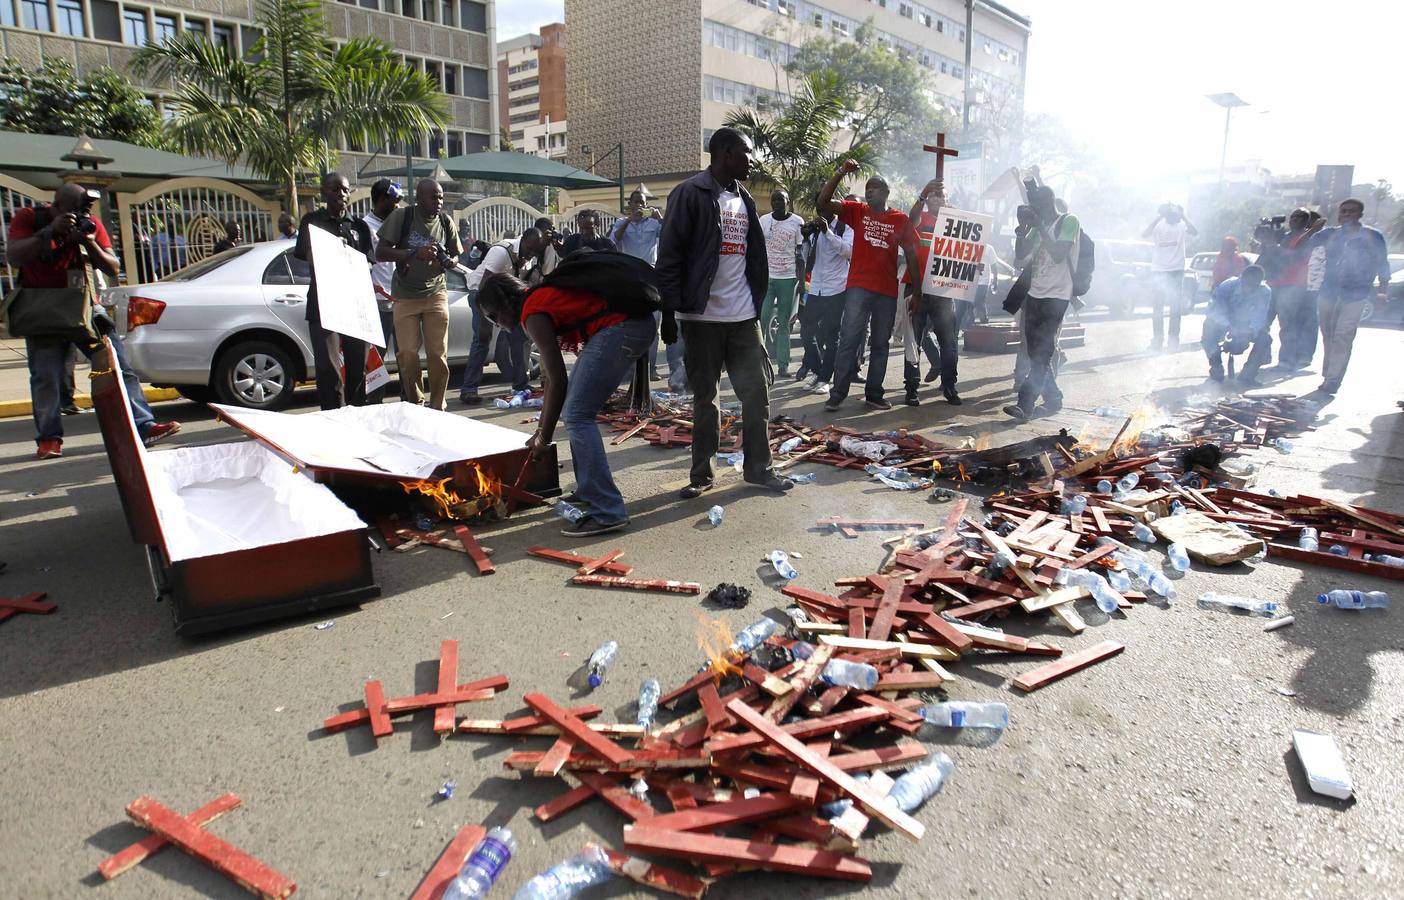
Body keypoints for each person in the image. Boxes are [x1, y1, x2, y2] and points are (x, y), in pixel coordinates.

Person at [656, 126, 794, 498]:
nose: (752, 160)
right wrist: (668, 314)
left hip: (744, 317)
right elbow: (669, 256)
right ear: (725, 153)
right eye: (746, 152)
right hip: (701, 319)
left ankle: (760, 470)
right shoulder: (689, 193)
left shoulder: (744, 199)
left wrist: (757, 304)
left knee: (757, 395)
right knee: (706, 399)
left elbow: (753, 258)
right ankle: (702, 475)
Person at [475, 264, 658, 536]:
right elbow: (551, 380)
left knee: (577, 415)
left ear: (504, 304)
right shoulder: (536, 302)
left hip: (622, 329)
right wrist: (541, 432)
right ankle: (588, 490)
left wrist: (544, 439)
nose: (497, 324)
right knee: (574, 411)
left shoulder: (532, 313)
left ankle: (607, 511)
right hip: (627, 327)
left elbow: (558, 379)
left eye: (493, 316)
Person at [5, 184, 180, 458]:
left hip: (87, 307)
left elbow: (113, 267)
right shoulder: (30, 218)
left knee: (119, 368)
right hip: (44, 310)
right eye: (76, 210)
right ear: (57, 206)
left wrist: (88, 241)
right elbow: (14, 256)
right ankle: (49, 440)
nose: (83, 215)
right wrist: (49, 232)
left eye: (86, 210)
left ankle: (143, 426)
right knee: (46, 377)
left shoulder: (91, 225)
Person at [817, 159, 921, 412]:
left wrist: (917, 291)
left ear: (886, 192)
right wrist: (841, 172)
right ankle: (837, 394)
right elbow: (823, 203)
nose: (869, 191)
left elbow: (912, 254)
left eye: (874, 187)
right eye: (867, 188)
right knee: (849, 339)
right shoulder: (857, 211)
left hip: (886, 291)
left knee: (880, 344)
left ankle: (874, 394)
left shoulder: (900, 219)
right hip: (859, 288)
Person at [375, 178, 463, 410]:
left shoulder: (445, 221)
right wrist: (414, 253)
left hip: (436, 293)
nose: (438, 201)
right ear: (419, 198)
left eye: (441, 197)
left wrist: (449, 261)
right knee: (407, 353)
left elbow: (456, 255)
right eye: (433, 197)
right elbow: (381, 252)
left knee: (437, 354)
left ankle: (438, 406)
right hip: (405, 295)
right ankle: (416, 402)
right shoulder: (402, 217)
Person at [294, 173, 375, 409]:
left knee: (357, 366)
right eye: (335, 189)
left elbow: (369, 262)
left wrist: (352, 259)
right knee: (328, 368)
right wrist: (334, 252)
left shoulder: (359, 226)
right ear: (323, 192)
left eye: (345, 190)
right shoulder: (312, 221)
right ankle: (333, 415)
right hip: (324, 303)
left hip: (355, 305)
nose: (341, 194)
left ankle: (356, 414)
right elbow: (310, 257)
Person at [1004, 185, 1080, 421]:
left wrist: (1039, 225)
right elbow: (1020, 255)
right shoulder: (1038, 226)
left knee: (1042, 353)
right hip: (1034, 294)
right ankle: (1054, 398)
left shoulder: (1068, 221)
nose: (1034, 210)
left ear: (1048, 203)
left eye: (1037, 206)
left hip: (1057, 296)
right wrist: (1022, 231)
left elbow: (1058, 254)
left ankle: (1024, 404)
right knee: (1034, 352)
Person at [1304, 198, 1391, 394]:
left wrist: (1382, 292)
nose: (1346, 215)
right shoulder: (1330, 234)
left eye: (1351, 211)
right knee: (1328, 335)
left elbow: (1382, 264)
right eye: (1343, 211)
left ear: (1360, 214)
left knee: (1343, 336)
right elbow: (1300, 246)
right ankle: (1329, 373)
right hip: (1328, 292)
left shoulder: (1373, 236)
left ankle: (1333, 379)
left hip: (1356, 294)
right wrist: (1313, 229)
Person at [459, 229, 543, 404]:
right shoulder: (501, 252)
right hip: (480, 293)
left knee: (518, 336)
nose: (531, 255)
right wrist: (487, 318)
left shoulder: (529, 257)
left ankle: (521, 385)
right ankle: (469, 390)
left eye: (535, 252)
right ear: (524, 241)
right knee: (483, 338)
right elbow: (484, 287)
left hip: (503, 297)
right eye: (530, 250)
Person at [901, 179, 962, 406]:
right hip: (916, 287)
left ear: (946, 200)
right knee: (913, 341)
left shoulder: (956, 224)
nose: (937, 198)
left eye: (941, 195)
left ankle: (949, 386)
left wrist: (972, 266)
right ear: (927, 198)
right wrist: (923, 192)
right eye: (933, 195)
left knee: (949, 342)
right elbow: (912, 218)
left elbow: (964, 253)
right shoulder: (920, 218)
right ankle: (911, 388)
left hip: (943, 291)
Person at [612, 190, 680, 385]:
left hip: (651, 277)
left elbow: (671, 235)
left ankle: (650, 369)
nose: (639, 206)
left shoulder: (653, 223)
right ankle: (630, 369)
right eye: (636, 202)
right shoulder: (621, 222)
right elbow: (614, 239)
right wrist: (629, 220)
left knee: (653, 323)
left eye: (642, 202)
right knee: (631, 324)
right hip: (630, 279)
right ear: (630, 204)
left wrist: (660, 219)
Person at [796, 201, 852, 395]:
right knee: (806, 331)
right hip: (816, 287)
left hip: (836, 288)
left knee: (831, 336)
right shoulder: (814, 229)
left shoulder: (844, 227)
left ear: (833, 208)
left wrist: (827, 231)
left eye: (825, 208)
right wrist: (805, 238)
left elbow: (848, 251)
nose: (821, 212)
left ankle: (824, 379)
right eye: (819, 209)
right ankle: (819, 371)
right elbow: (806, 258)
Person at [357, 178, 403, 400]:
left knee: (406, 354)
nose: (398, 205)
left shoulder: (397, 225)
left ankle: (410, 399)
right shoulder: (364, 227)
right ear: (383, 200)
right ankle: (375, 402)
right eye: (395, 200)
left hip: (401, 300)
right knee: (376, 358)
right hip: (377, 302)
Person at [757, 189, 805, 377]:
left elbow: (801, 253)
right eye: (774, 200)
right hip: (768, 278)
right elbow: (757, 248)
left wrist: (801, 282)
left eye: (781, 200)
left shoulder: (797, 222)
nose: (777, 203)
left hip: (788, 278)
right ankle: (759, 364)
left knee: (784, 324)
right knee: (762, 320)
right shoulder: (764, 220)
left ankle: (783, 365)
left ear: (788, 202)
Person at [1267, 209, 1323, 370]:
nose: (1293, 220)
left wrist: (1311, 230)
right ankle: (1263, 356)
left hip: (1295, 285)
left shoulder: (1311, 237)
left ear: (1306, 221)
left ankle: (1288, 359)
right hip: (1275, 283)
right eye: (1292, 217)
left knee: (1289, 324)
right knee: (1265, 321)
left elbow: (1296, 251)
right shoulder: (1284, 236)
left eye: (1298, 217)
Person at [1202, 265, 1272, 384]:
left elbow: (1259, 316)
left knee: (1265, 338)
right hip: (1224, 320)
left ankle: (1248, 374)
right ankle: (1216, 367)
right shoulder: (1227, 286)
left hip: (1244, 323)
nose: (1249, 289)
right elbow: (1213, 311)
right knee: (1209, 328)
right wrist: (1229, 326)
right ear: (1241, 279)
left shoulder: (1264, 291)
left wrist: (1249, 332)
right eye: (1247, 285)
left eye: (1253, 287)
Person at [1142, 203, 1197, 349]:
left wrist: (1183, 216)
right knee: (1160, 307)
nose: (1174, 216)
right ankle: (1160, 339)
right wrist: (1160, 217)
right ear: (1166, 214)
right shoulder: (1159, 226)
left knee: (1172, 306)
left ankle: (1170, 339)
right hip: (1161, 270)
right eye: (1171, 213)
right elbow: (1144, 234)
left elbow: (1194, 231)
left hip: (1173, 270)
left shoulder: (1181, 226)